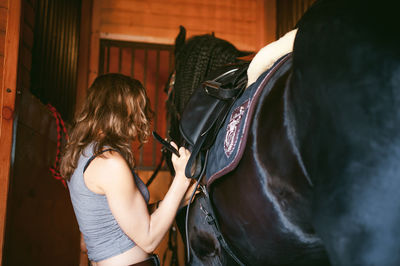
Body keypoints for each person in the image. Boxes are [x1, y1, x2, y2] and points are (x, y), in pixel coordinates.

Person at [60, 73, 193, 266]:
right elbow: (148, 239)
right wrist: (181, 177)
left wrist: (183, 198)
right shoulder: (110, 163)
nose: (140, 119)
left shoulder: (82, 155)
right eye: (136, 110)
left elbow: (91, 239)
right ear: (119, 112)